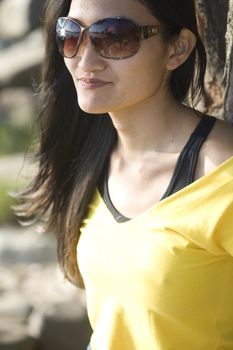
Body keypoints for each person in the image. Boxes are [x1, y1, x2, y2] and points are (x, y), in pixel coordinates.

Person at [18, 0, 233, 349]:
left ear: (177, 49)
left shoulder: (222, 179)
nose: (85, 62)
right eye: (71, 35)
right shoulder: (93, 160)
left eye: (115, 36)